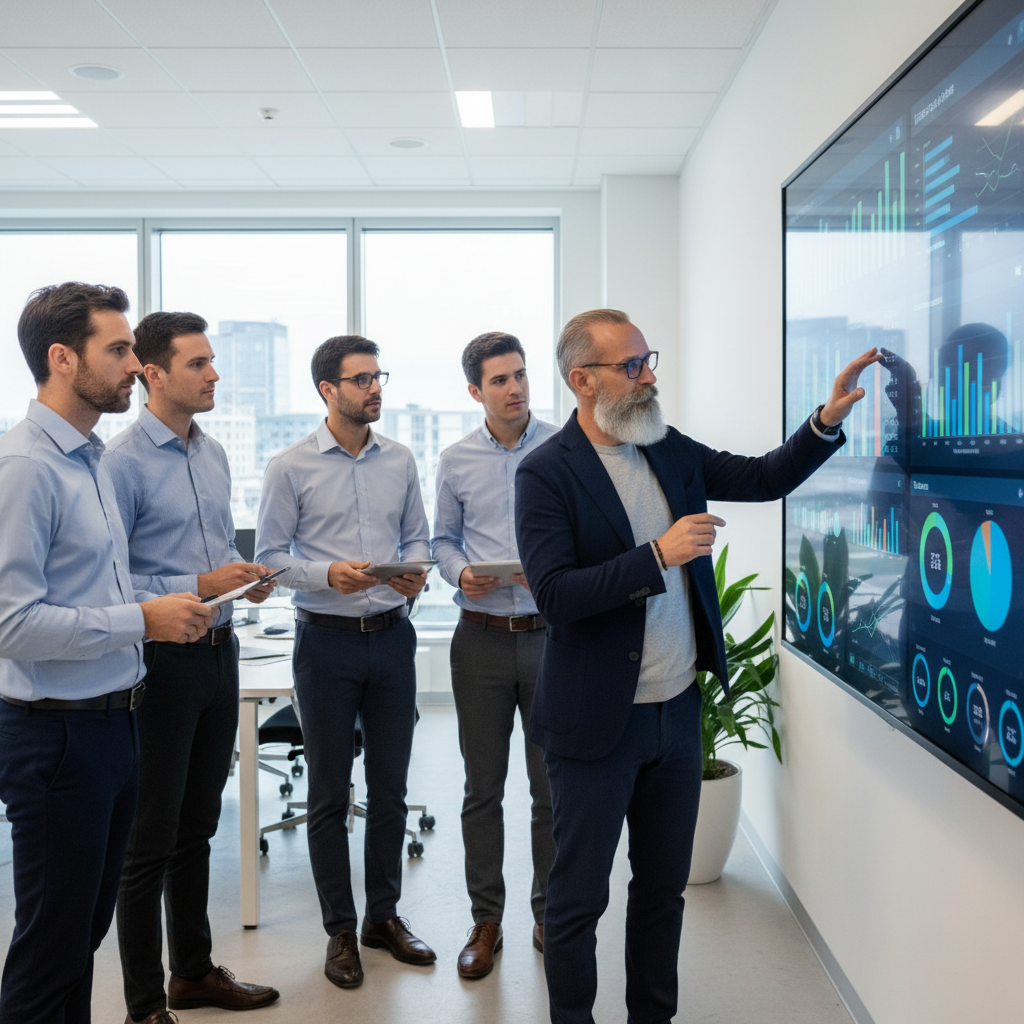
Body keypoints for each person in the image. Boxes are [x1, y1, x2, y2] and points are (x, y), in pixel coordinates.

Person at [514, 308, 881, 1024]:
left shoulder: (666, 447)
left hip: (678, 715)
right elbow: (556, 597)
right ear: (582, 380)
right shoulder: (545, 473)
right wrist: (658, 555)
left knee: (662, 892)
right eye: (631, 366)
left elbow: (763, 476)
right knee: (578, 900)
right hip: (596, 723)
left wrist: (825, 422)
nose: (648, 377)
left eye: (648, 360)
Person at [0, 283, 214, 1024]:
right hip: (56, 733)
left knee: (79, 938)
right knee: (51, 948)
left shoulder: (87, 459)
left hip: (114, 721)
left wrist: (153, 615)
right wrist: (141, 620)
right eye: (118, 349)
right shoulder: (27, 466)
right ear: (63, 358)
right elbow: (11, 625)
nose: (134, 365)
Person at [104, 311, 281, 1024]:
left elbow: (214, 557)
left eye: (212, 361)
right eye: (198, 364)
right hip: (159, 662)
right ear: (154, 374)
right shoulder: (119, 462)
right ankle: (145, 1005)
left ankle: (194, 973)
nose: (214, 375)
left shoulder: (212, 452)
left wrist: (240, 580)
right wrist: (199, 583)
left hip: (220, 651)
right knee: (149, 838)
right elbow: (112, 581)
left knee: (198, 826)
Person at [256, 334, 434, 990]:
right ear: (328, 390)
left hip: (392, 637)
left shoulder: (401, 460)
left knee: (390, 791)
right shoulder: (289, 466)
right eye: (362, 379)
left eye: (378, 376)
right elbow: (269, 560)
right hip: (324, 644)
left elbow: (417, 537)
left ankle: (382, 917)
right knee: (329, 794)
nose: (375, 388)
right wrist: (327, 573)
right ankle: (339, 929)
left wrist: (414, 570)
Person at [432, 332, 557, 979]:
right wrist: (460, 574)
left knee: (550, 788)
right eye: (500, 380)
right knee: (482, 789)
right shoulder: (455, 460)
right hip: (479, 638)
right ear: (475, 391)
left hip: (550, 637)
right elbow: (442, 540)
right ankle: (486, 921)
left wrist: (556, 568)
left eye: (521, 375)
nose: (515, 389)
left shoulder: (564, 447)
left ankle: (549, 914)